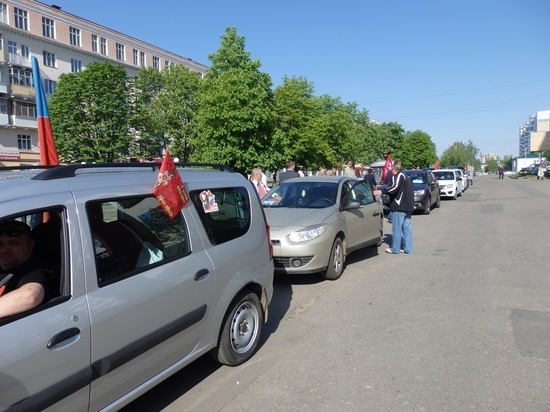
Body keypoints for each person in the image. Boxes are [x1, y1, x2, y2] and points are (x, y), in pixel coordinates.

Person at [0, 220, 52, 318]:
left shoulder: (34, 270)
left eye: (13, 243)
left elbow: (31, 295)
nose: (3, 249)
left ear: (31, 245)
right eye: (0, 243)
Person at [373, 161, 414, 254]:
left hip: (399, 206)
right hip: (408, 206)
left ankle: (395, 249)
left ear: (393, 169)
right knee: (407, 228)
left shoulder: (398, 176)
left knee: (397, 228)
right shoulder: (406, 177)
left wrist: (381, 191)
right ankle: (408, 249)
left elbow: (394, 188)